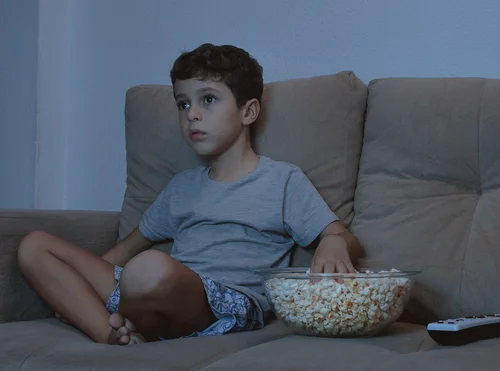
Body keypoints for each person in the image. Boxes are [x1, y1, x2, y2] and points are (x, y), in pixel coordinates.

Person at [17, 43, 365, 346]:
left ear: (248, 112)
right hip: (152, 287)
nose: (192, 115)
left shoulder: (281, 180)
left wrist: (332, 242)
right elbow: (123, 253)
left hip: (226, 302)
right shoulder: (181, 186)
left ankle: (119, 316)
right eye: (183, 104)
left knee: (148, 270)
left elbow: (340, 235)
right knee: (35, 245)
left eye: (208, 100)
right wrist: (78, 283)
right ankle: (107, 332)